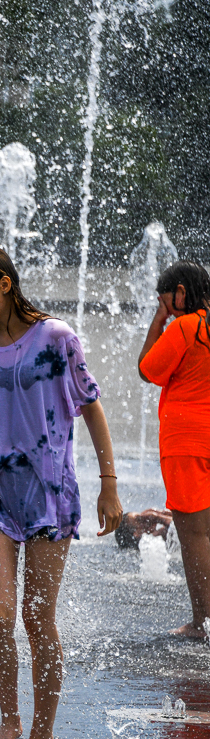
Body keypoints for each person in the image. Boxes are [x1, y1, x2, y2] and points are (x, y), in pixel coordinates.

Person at [0, 243, 121, 739]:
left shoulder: (56, 338)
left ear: (5, 284)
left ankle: (43, 737)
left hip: (50, 494)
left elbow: (91, 408)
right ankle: (9, 719)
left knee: (36, 617)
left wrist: (108, 484)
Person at [138, 261, 210, 638]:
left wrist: (159, 319)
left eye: (164, 297)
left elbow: (147, 369)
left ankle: (203, 623)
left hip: (188, 442)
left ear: (180, 291)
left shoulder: (186, 327)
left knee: (194, 535)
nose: (162, 303)